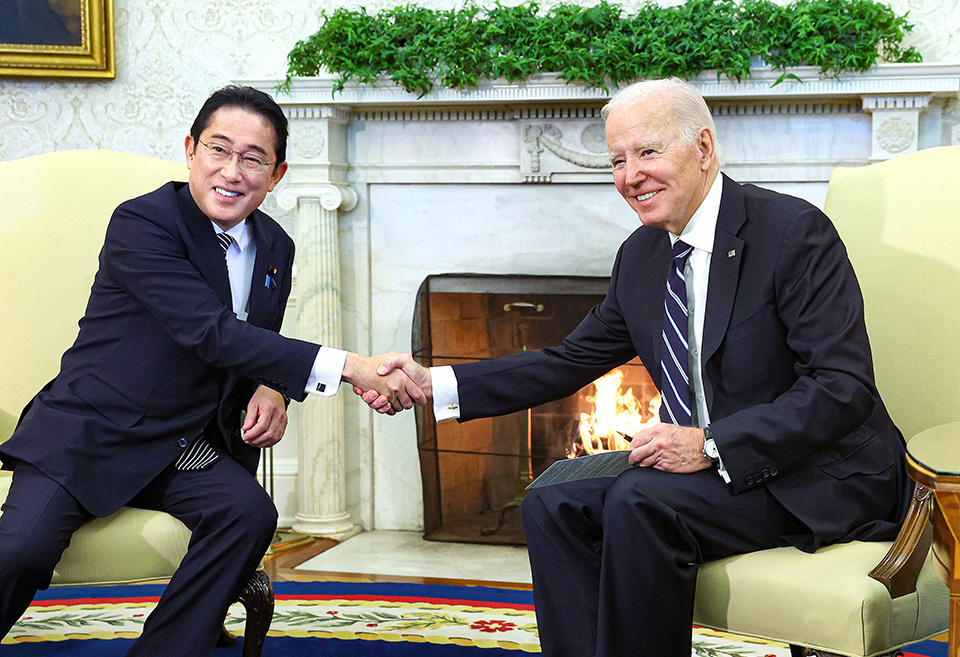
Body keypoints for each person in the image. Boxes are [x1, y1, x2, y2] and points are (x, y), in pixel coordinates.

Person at [362, 77, 911, 657]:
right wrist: (434, 383)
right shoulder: (643, 256)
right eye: (617, 160)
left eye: (648, 152)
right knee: (550, 501)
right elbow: (569, 359)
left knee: (639, 501)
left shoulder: (791, 233)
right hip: (716, 475)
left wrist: (711, 444)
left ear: (703, 148)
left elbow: (841, 387)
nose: (630, 176)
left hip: (813, 474)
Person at [0, 85, 425, 657]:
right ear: (190, 150)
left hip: (182, 443)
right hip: (91, 430)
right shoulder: (142, 223)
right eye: (218, 150)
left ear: (277, 175)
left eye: (254, 158)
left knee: (247, 512)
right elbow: (208, 331)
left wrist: (271, 384)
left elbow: (256, 337)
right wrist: (352, 367)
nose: (233, 170)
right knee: (19, 552)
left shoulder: (276, 244)